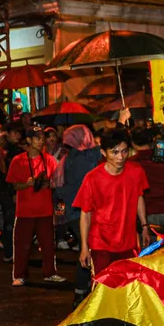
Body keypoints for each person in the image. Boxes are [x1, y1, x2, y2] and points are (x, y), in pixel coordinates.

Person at [73, 128, 149, 278]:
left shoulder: (136, 171)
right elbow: (86, 213)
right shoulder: (92, 178)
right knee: (103, 288)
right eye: (114, 152)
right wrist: (84, 247)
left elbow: (139, 197)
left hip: (128, 242)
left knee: (127, 287)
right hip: (101, 243)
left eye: (124, 151)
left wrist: (145, 225)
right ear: (103, 152)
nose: (120, 157)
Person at [6, 128, 64, 287]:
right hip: (24, 211)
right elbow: (14, 185)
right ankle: (19, 275)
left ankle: (50, 273)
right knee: (21, 245)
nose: (41, 141)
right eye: (38, 138)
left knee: (47, 244)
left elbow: (56, 182)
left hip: (45, 209)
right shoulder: (18, 160)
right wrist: (28, 183)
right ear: (29, 140)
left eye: (42, 138)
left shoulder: (49, 160)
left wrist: (46, 183)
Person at [56, 125, 103, 306]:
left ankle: (81, 291)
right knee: (89, 251)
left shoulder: (68, 158)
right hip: (83, 212)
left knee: (87, 250)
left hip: (73, 212)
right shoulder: (84, 157)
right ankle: (83, 292)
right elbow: (106, 148)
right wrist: (121, 122)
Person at [128, 128, 164, 229]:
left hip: (146, 213)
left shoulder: (131, 163)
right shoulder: (161, 158)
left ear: (133, 144)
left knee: (151, 244)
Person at [0, 125, 25, 262]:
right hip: (7, 191)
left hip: (16, 189)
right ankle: (9, 252)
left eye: (19, 133)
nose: (17, 135)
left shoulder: (17, 150)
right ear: (7, 133)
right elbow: (5, 174)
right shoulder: (3, 151)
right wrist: (13, 191)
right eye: (15, 132)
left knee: (18, 222)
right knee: (10, 222)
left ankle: (15, 251)